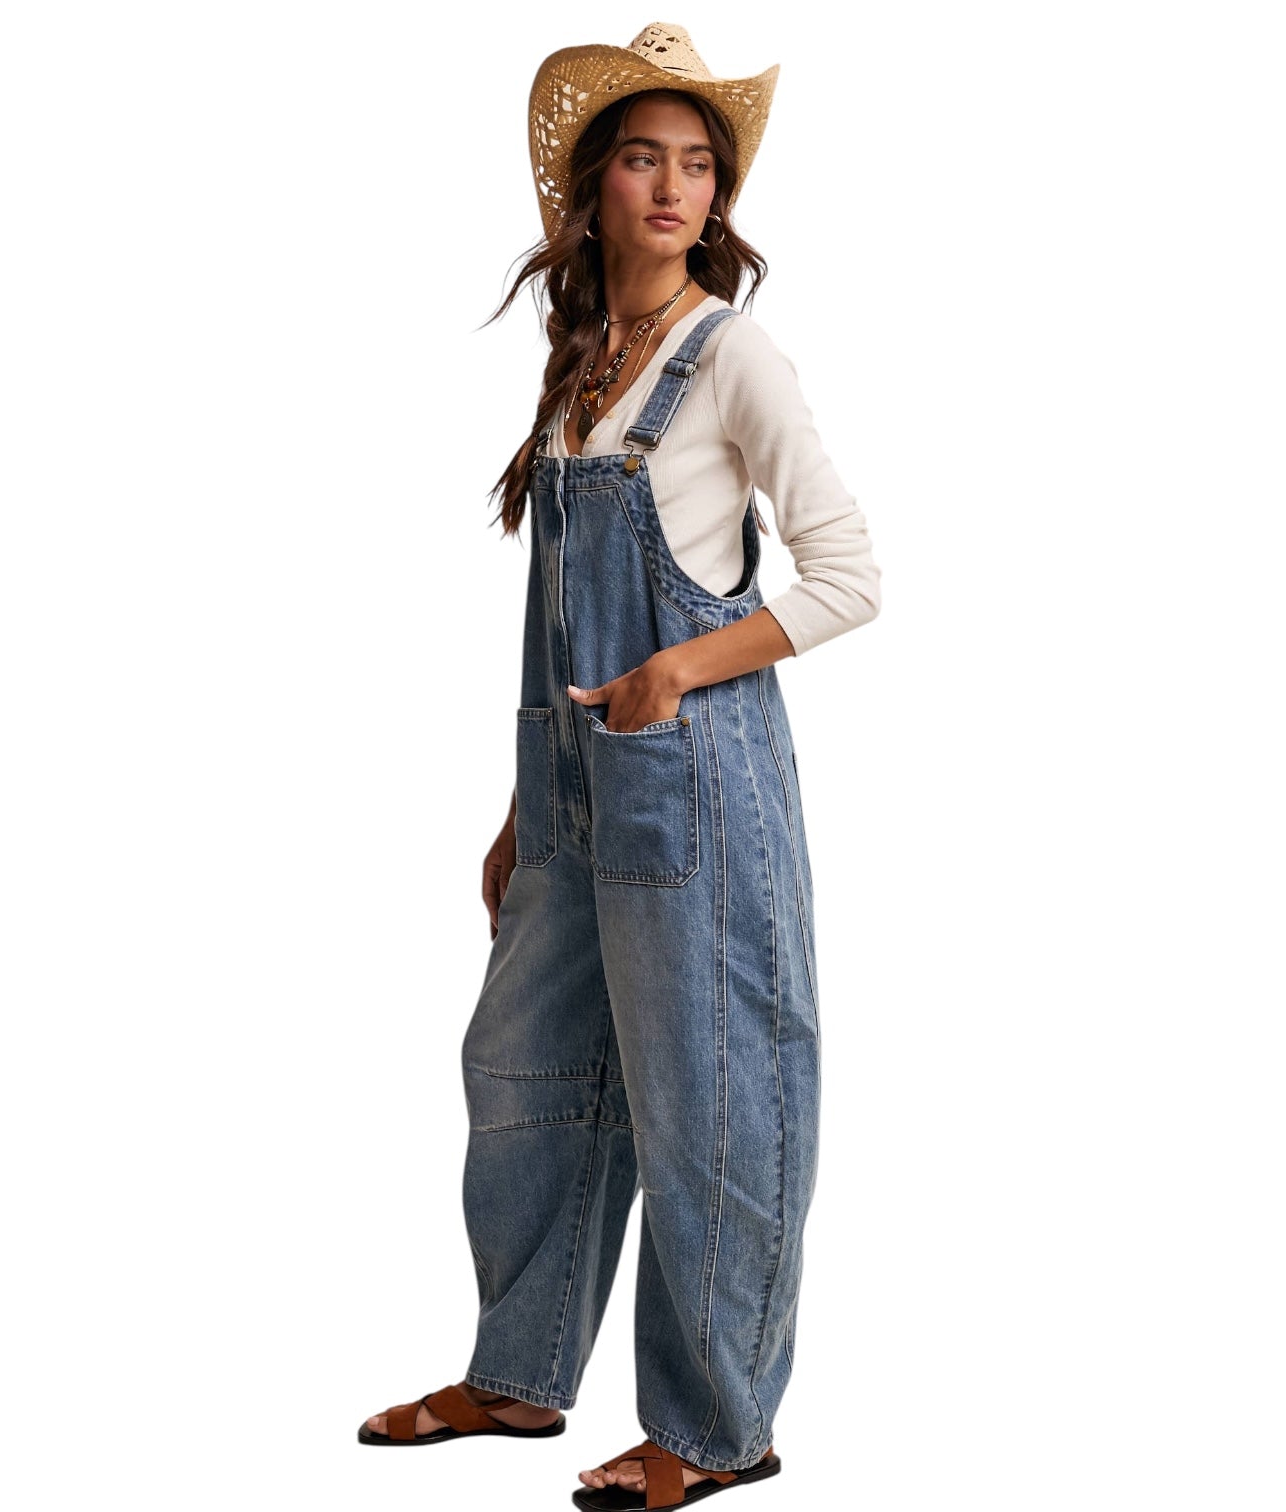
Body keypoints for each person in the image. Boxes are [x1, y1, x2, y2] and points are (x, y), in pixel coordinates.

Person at [357, 22, 882, 1510]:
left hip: (695, 788)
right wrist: (527, 807)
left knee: (709, 1094)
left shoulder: (735, 355)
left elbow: (851, 574)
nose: (672, 186)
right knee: (526, 1068)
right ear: (591, 192)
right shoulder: (586, 361)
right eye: (643, 158)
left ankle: (719, 1429)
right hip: (579, 796)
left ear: (719, 199)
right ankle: (518, 1372)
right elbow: (550, 625)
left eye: (697, 163)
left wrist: (672, 672)